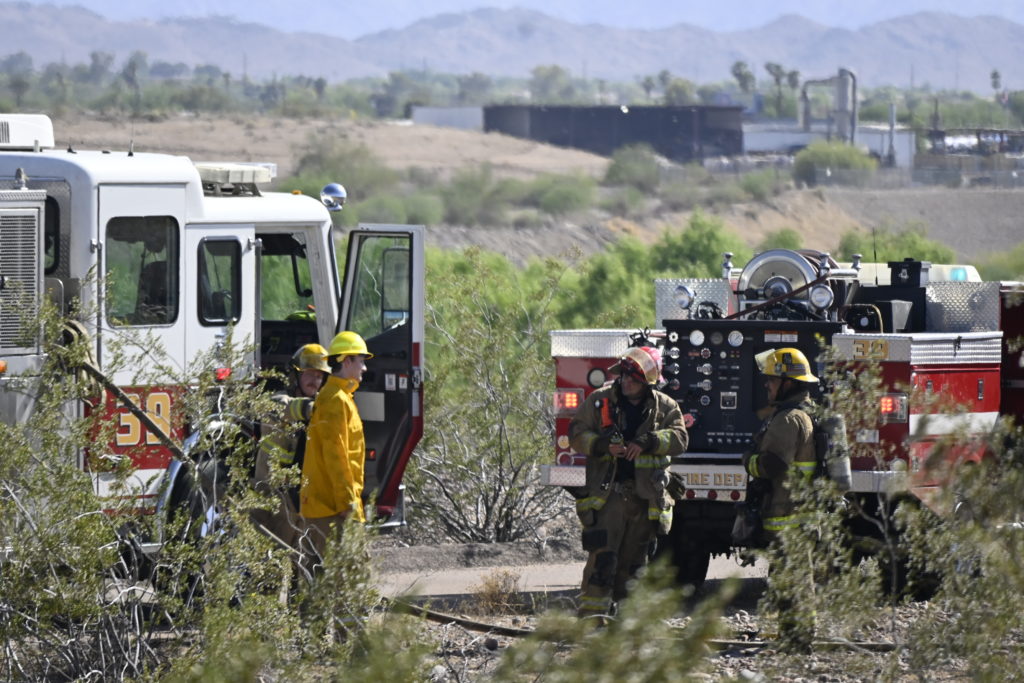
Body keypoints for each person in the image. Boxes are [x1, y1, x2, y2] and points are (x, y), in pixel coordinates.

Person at [568, 346, 688, 621]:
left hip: (644, 499)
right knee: (603, 558)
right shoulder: (600, 401)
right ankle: (592, 620)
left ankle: (627, 623)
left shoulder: (665, 406)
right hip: (608, 496)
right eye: (624, 376)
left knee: (635, 563)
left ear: (648, 383)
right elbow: (576, 433)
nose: (626, 382)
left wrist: (650, 441)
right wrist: (602, 445)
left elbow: (680, 439)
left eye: (634, 378)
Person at [741, 347, 819, 650]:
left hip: (787, 511)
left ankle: (797, 638)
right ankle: (795, 635)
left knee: (791, 576)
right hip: (800, 510)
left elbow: (772, 465)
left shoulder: (788, 419)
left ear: (788, 383)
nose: (767, 385)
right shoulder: (807, 413)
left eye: (772, 380)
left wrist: (748, 460)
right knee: (795, 574)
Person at [297, 330, 372, 576]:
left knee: (324, 582)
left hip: (330, 507)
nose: (364, 368)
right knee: (347, 580)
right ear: (347, 361)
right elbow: (336, 457)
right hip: (331, 510)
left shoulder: (341, 397)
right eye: (361, 361)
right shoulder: (335, 400)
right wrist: (348, 504)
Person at [251, 343, 329, 552]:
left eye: (319, 376)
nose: (315, 380)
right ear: (295, 375)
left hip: (301, 497)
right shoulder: (278, 401)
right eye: (309, 374)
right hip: (273, 495)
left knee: (300, 555)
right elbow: (283, 407)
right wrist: (310, 408)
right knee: (275, 553)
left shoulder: (321, 410)